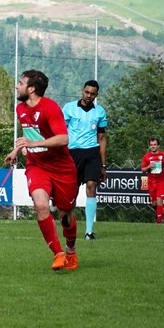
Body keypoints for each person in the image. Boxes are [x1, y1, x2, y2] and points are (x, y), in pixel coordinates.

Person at [4, 69, 78, 271]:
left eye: (20, 83)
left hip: (62, 168)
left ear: (31, 89)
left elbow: (63, 138)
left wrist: (33, 143)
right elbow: (29, 134)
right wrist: (17, 150)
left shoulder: (50, 107)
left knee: (65, 216)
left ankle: (70, 250)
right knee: (41, 205)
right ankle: (58, 254)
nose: (17, 86)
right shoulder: (21, 108)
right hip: (37, 165)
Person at [62, 80, 107, 240]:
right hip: (73, 154)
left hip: (92, 153)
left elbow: (102, 138)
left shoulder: (100, 112)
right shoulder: (69, 108)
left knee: (91, 186)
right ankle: (68, 226)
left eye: (92, 94)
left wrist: (103, 165)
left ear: (96, 95)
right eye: (87, 92)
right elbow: (61, 132)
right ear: (82, 91)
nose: (89, 96)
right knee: (71, 191)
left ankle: (89, 231)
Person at [141, 137, 164, 224]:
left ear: (158, 146)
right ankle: (161, 212)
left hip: (161, 181)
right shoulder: (146, 157)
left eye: (155, 144)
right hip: (151, 182)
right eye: (151, 145)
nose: (153, 146)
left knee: (159, 200)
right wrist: (148, 167)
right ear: (149, 146)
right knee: (154, 203)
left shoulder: (162, 155)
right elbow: (143, 170)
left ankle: (158, 222)